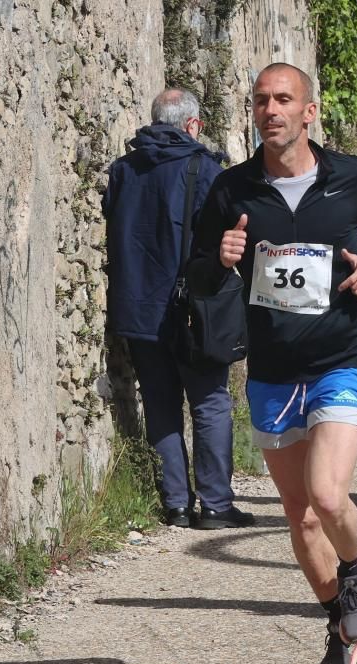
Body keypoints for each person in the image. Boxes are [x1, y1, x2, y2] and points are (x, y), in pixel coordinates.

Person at [187, 63, 357, 664]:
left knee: (327, 495)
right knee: (299, 514)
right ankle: (338, 618)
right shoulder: (233, 188)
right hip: (273, 369)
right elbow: (200, 274)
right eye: (261, 101)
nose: (271, 110)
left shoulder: (349, 177)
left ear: (309, 112)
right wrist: (218, 258)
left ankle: (355, 574)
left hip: (339, 357)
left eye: (284, 99)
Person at [102, 88, 254, 530]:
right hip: (192, 308)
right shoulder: (204, 169)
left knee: (160, 403)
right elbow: (229, 232)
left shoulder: (124, 170)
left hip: (137, 309)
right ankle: (215, 505)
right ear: (192, 125)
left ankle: (176, 505)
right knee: (209, 402)